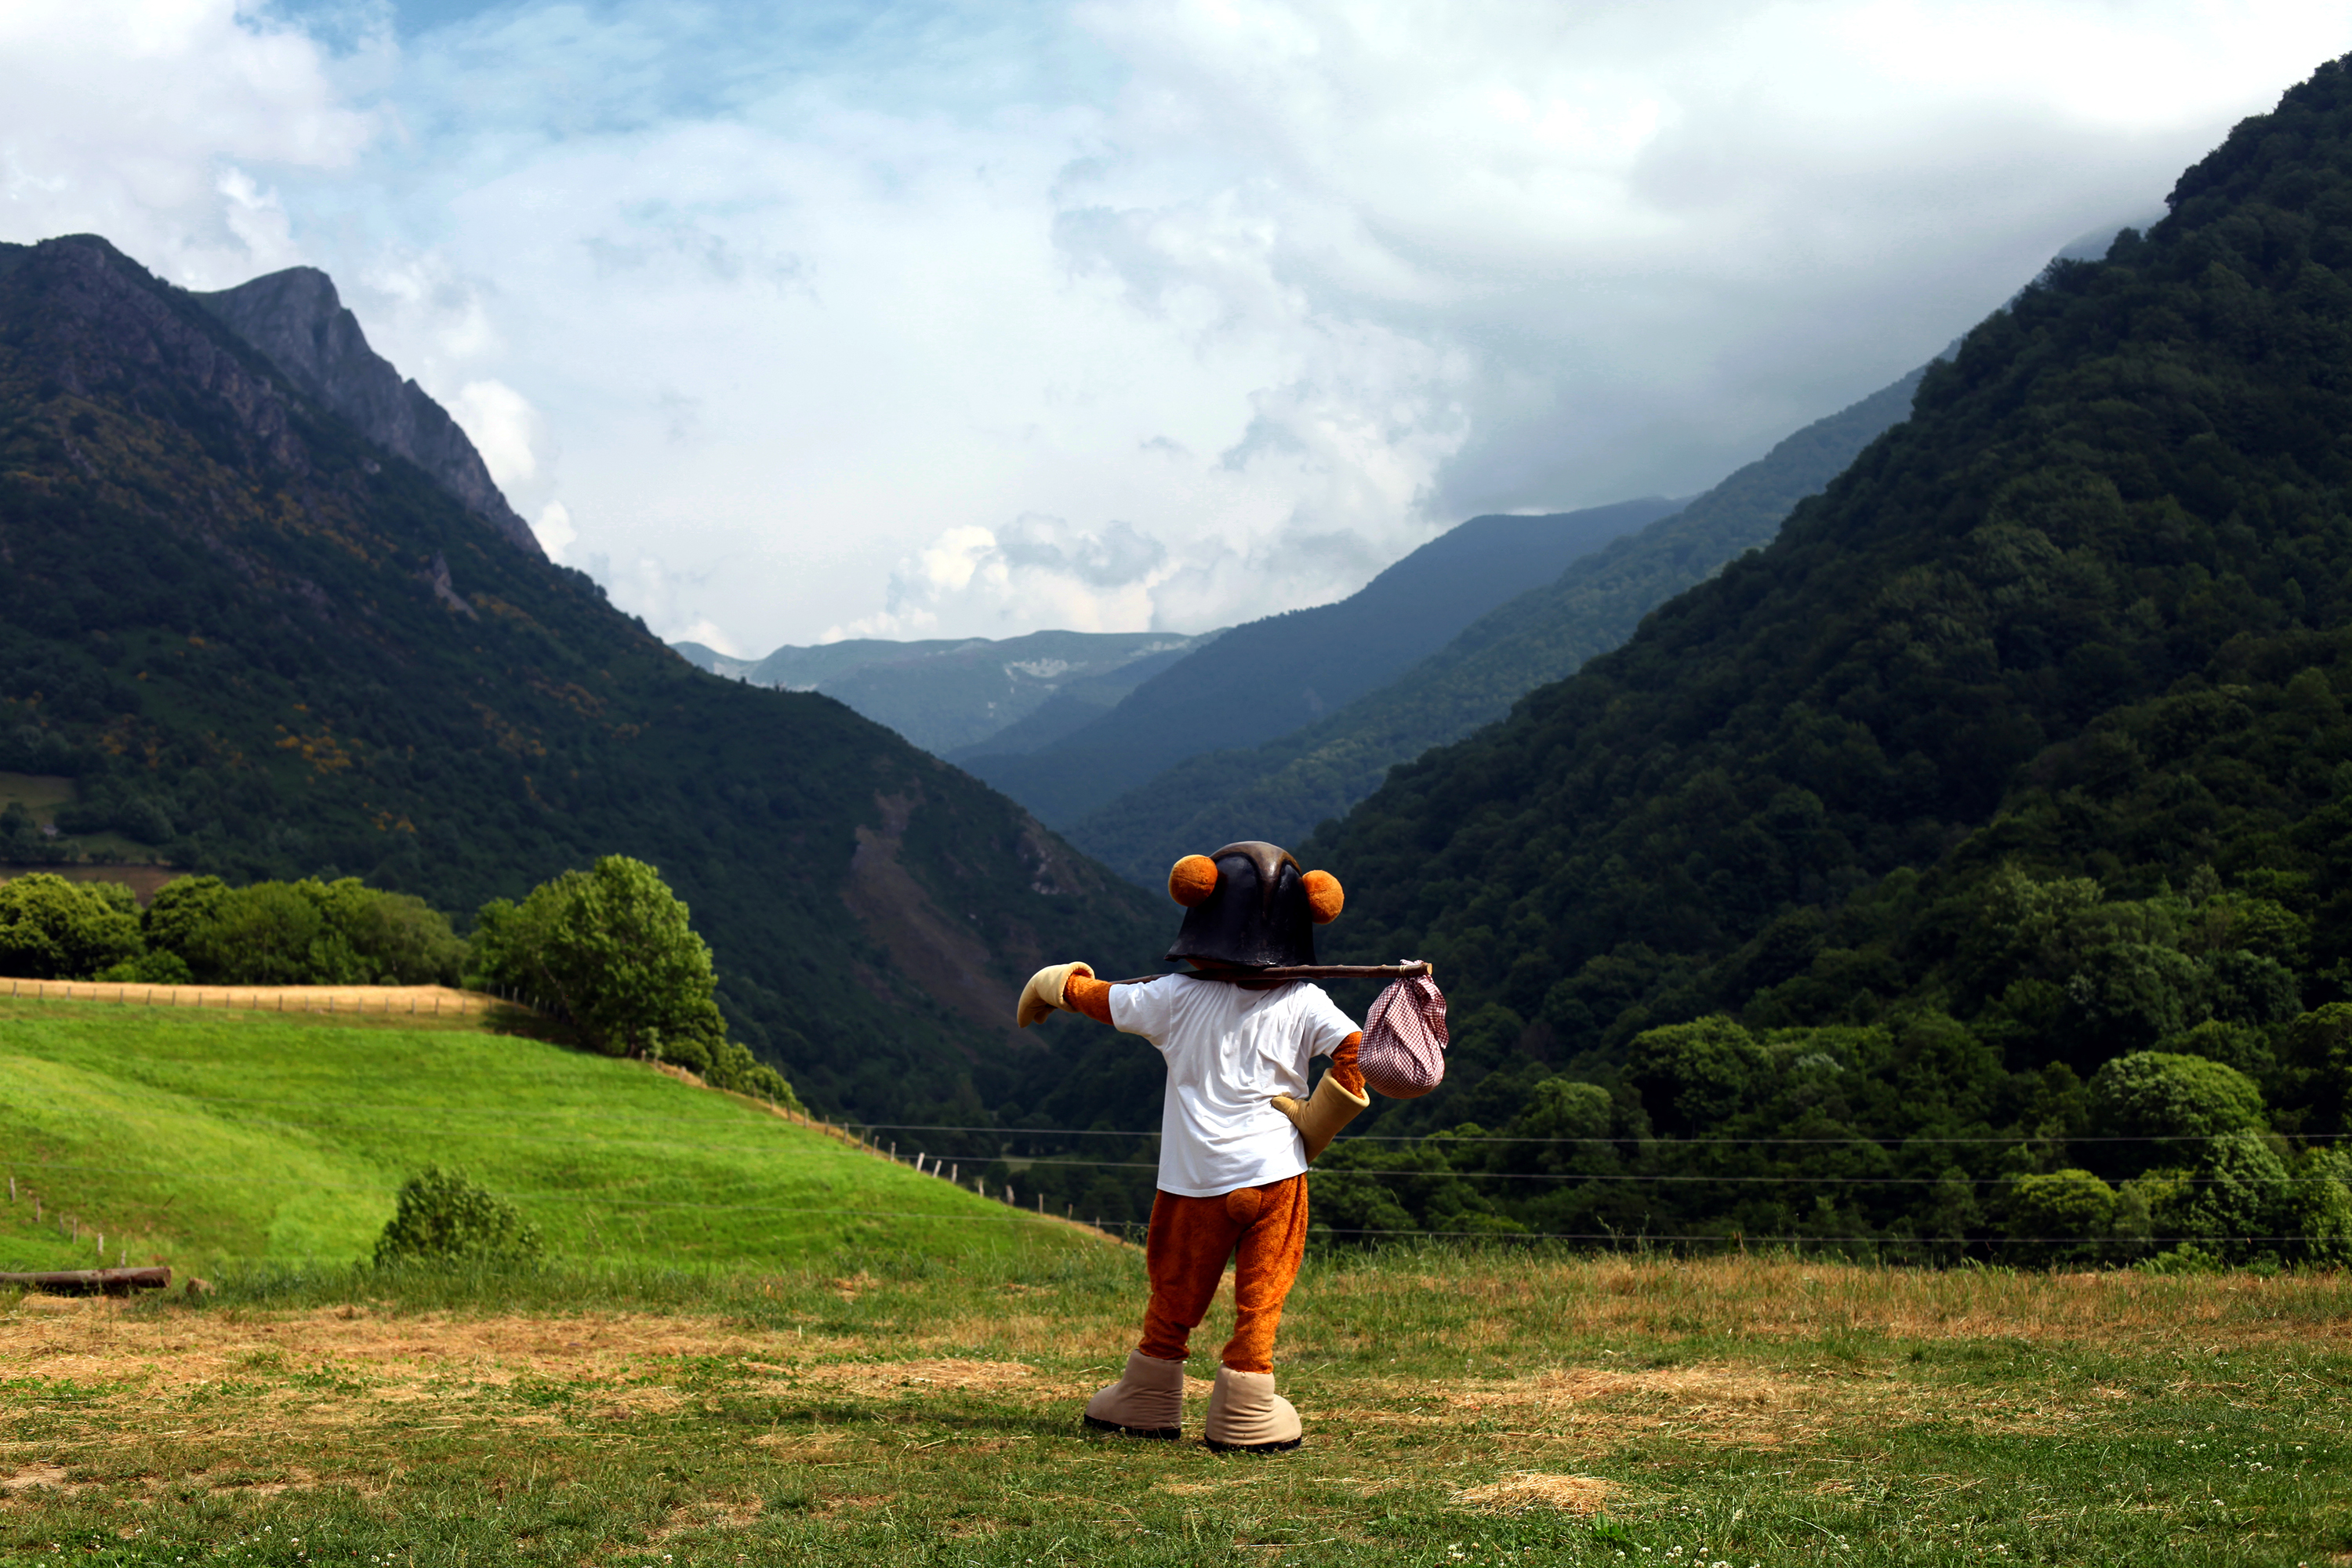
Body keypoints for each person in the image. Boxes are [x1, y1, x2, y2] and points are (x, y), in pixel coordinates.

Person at [1015, 840, 1370, 1452]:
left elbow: (1104, 1000)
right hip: (1275, 1173)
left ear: (1200, 906)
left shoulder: (1172, 998)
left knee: (1176, 1289)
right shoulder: (1305, 1000)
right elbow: (1356, 1051)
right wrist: (1317, 1121)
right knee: (1262, 1296)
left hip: (1194, 1180)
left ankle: (1149, 1396)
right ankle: (1247, 1410)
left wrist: (1057, 985)